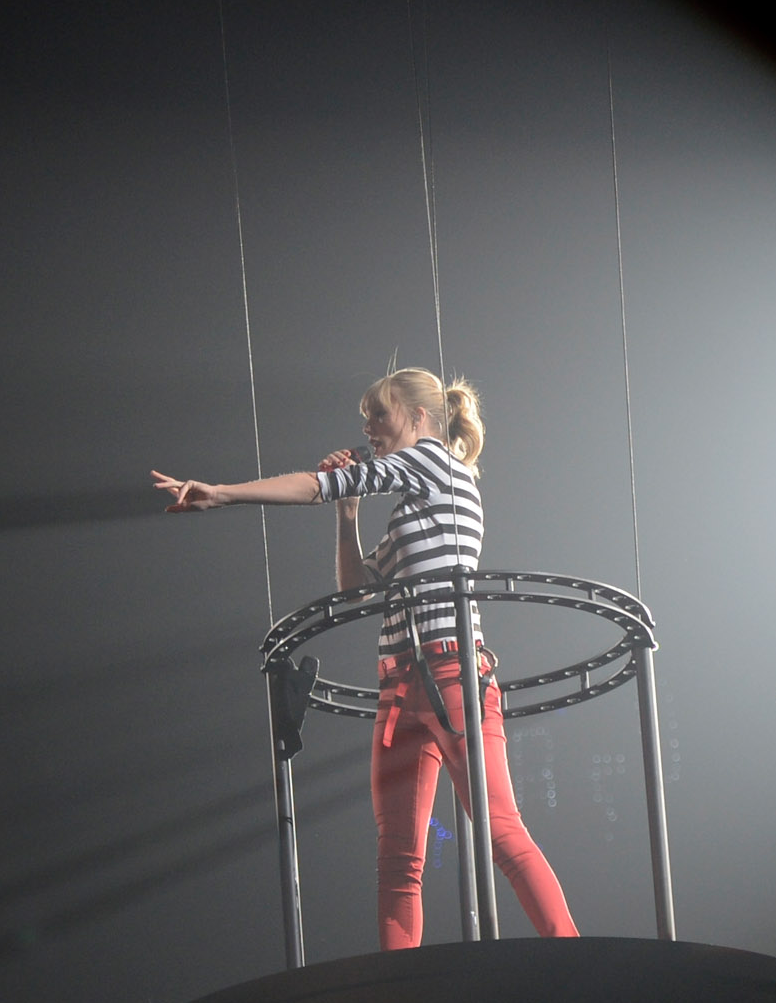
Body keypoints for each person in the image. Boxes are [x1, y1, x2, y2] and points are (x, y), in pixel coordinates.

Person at [151, 368, 580, 951]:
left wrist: (222, 492)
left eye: (379, 414)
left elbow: (313, 484)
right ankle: (400, 991)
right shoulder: (413, 506)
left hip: (451, 671)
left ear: (419, 418)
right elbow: (358, 589)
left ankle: (570, 950)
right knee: (398, 858)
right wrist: (348, 515)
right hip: (402, 684)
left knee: (498, 829)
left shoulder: (432, 461)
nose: (368, 426)